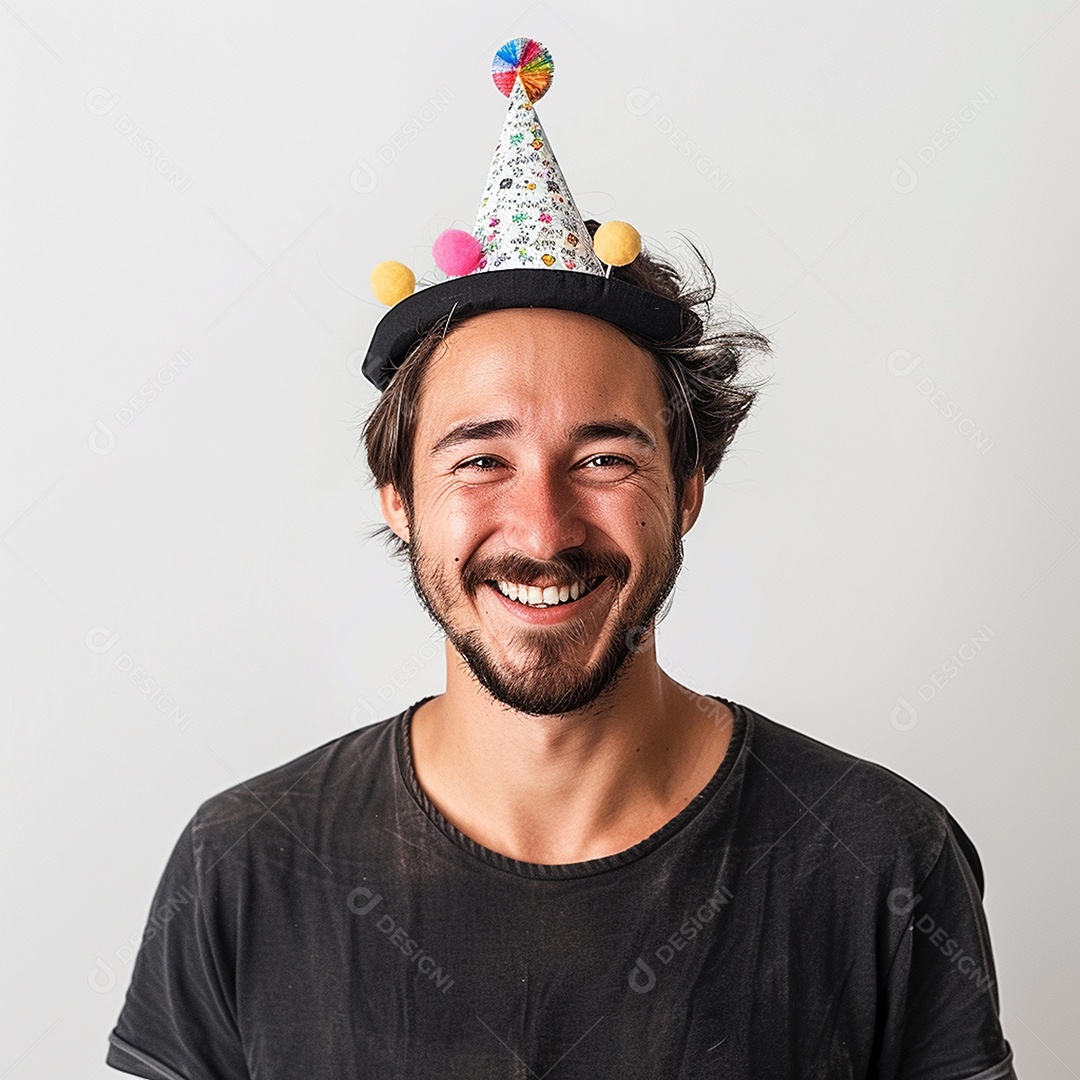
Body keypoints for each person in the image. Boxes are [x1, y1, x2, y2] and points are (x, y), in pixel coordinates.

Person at [106, 38, 1017, 1079]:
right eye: (481, 458)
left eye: (602, 455)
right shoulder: (244, 869)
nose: (542, 530)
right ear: (398, 499)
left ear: (687, 489)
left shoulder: (883, 863)